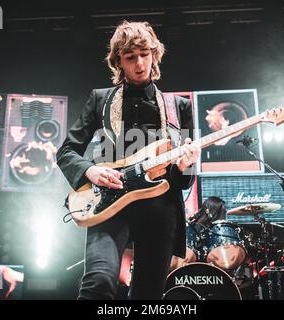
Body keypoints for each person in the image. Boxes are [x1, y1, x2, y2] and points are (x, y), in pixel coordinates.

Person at [56, 21, 200, 300]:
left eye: (145, 54)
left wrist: (185, 166)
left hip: (159, 210)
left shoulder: (178, 107)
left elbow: (184, 181)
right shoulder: (100, 100)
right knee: (97, 284)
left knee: (147, 296)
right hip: (109, 204)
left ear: (154, 54)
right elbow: (67, 152)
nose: (139, 63)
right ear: (118, 61)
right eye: (130, 56)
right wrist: (91, 171)